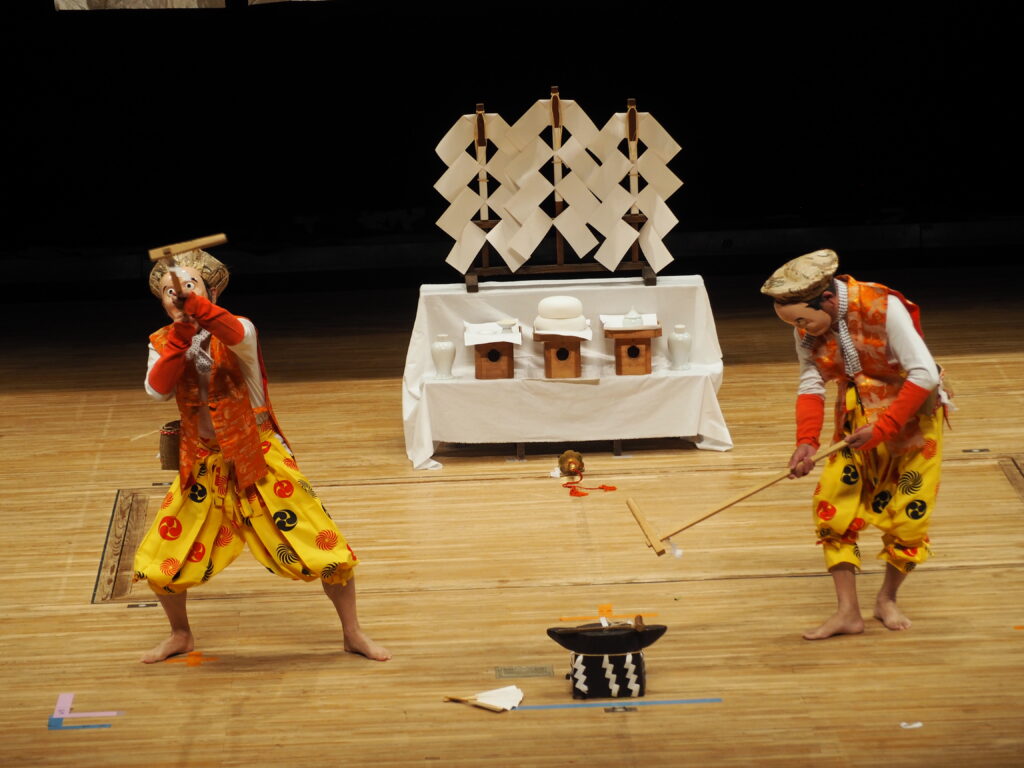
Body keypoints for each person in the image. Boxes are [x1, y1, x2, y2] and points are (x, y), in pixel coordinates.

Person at [134, 249, 391, 663]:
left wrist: (193, 304)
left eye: (187, 286)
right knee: (164, 559)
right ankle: (180, 634)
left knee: (327, 549)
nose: (176, 295)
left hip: (257, 452)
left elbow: (233, 334)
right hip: (202, 461)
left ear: (210, 291)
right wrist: (181, 335)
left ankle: (353, 633)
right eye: (168, 291)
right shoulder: (161, 343)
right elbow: (158, 389)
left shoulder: (241, 329)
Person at [762, 249, 949, 640]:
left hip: (911, 415)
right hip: (856, 415)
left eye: (802, 319)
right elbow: (811, 383)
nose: (801, 329)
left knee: (908, 515)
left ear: (827, 299)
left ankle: (887, 598)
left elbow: (924, 372)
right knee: (834, 504)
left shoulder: (884, 306)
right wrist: (806, 443)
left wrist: (885, 427)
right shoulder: (806, 328)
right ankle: (848, 612)